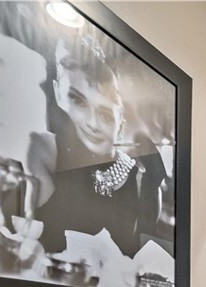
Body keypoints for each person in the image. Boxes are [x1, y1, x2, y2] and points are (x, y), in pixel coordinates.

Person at [26, 33, 164, 258]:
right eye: (77, 101)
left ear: (121, 119)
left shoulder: (143, 175)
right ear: (58, 94)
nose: (92, 123)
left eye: (105, 113)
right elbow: (31, 240)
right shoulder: (44, 149)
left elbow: (143, 259)